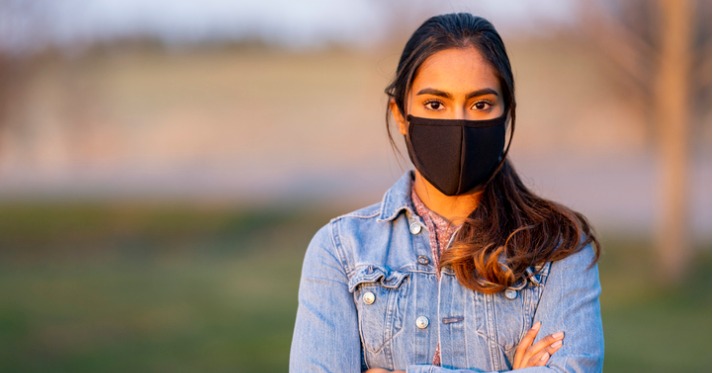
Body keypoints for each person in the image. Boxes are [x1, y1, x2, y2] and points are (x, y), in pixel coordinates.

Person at [290, 13, 603, 373]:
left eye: (480, 104)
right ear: (401, 115)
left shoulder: (557, 246)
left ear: (506, 115)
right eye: (435, 104)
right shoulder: (341, 250)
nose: (458, 124)